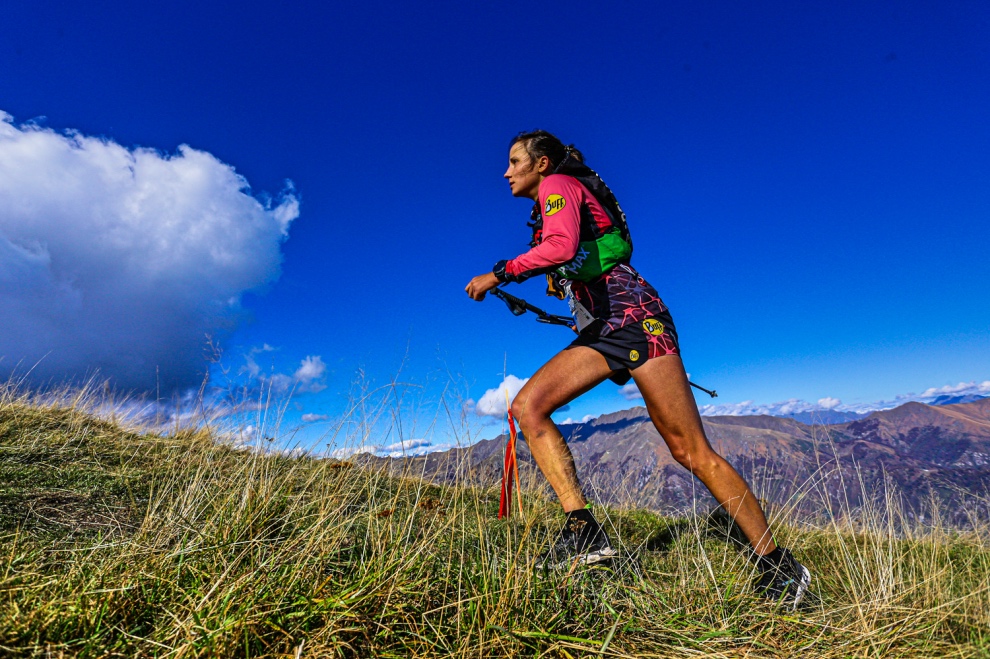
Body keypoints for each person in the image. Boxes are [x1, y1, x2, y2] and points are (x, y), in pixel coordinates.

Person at [465, 130, 811, 608]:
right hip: (608, 329)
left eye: (513, 161)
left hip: (637, 321)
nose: (505, 172)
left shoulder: (557, 186)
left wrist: (498, 272)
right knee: (528, 407)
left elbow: (563, 247)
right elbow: (570, 252)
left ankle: (781, 569)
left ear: (541, 164)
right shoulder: (555, 196)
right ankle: (584, 532)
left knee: (689, 451)